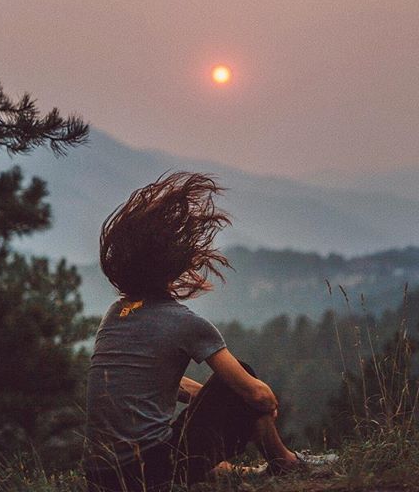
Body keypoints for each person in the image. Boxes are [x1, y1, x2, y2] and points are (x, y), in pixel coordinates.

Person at [84, 171, 302, 492]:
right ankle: (285, 463)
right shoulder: (186, 323)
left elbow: (153, 382)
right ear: (174, 266)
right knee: (243, 374)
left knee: (229, 393)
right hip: (151, 475)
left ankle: (236, 471)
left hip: (100, 477)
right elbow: (257, 395)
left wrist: (212, 399)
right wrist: (254, 400)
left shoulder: (116, 314)